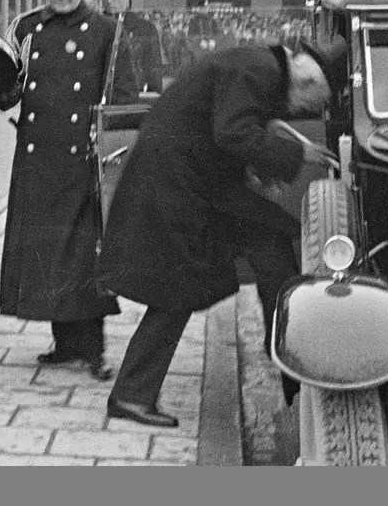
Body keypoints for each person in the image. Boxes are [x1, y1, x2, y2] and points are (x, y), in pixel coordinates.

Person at [95, 35, 345, 427]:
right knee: (177, 287)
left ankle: (286, 362)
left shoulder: (261, 66)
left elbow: (230, 123)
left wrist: (266, 159)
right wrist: (296, 154)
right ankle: (130, 395)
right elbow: (232, 133)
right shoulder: (258, 70)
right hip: (179, 185)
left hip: (199, 180)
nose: (313, 110)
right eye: (318, 103)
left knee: (271, 239)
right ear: (309, 82)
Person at [0, 0, 137, 382]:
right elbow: (8, 92)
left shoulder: (107, 31)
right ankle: (65, 343)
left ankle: (93, 349)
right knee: (48, 255)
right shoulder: (28, 28)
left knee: (83, 259)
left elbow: (123, 97)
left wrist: (110, 150)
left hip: (81, 160)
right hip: (37, 160)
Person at [94, 0, 165, 95]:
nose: (109, 0)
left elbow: (153, 76)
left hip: (133, 103)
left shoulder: (145, 29)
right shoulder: (93, 27)